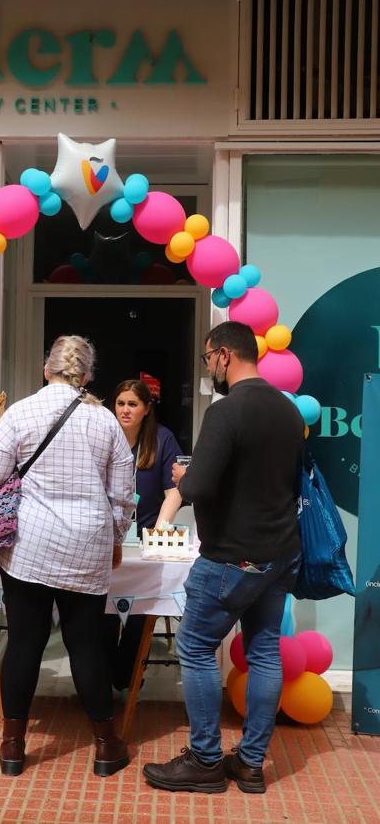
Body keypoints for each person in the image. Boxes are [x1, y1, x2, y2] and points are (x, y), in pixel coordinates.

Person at [143, 321, 303, 795]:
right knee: (264, 652)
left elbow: (201, 485)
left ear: (224, 355)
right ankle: (251, 763)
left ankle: (207, 760)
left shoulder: (225, 411)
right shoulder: (287, 410)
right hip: (278, 554)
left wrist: (182, 478)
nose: (207, 366)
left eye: (207, 358)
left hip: (231, 556)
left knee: (193, 648)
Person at [0, 335, 135, 778]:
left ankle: (12, 747)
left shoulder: (19, 413)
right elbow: (123, 496)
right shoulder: (105, 422)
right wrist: (116, 539)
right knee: (85, 643)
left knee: (25, 641)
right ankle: (105, 746)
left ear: (47, 370)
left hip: (28, 545)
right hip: (86, 546)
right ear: (86, 377)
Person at [104, 379, 182, 690]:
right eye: (120, 403)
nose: (125, 410)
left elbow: (174, 490)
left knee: (142, 605)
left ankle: (126, 673)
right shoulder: (104, 436)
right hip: (109, 535)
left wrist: (161, 528)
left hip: (147, 536)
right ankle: (106, 670)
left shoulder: (162, 439)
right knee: (106, 607)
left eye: (132, 404)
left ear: (147, 409)